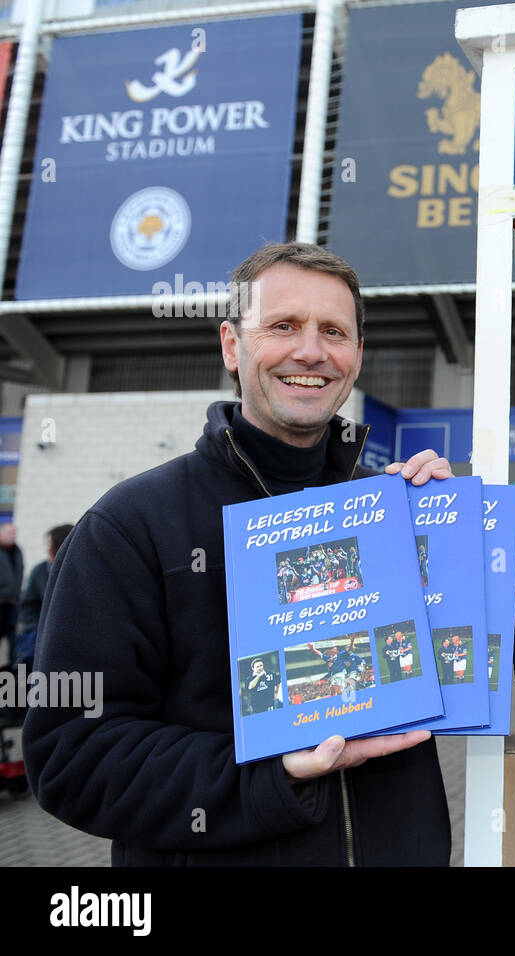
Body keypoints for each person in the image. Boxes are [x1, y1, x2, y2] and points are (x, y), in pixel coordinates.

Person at [23, 241, 456, 866]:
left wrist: (452, 544)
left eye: (333, 331)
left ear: (356, 356)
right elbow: (72, 759)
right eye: (283, 326)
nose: (311, 351)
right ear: (232, 346)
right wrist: (271, 776)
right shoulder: (130, 526)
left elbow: (460, 675)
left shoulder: (397, 513)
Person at [14, 524, 74, 669]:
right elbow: (28, 605)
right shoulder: (40, 571)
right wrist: (36, 630)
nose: (47, 550)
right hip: (41, 638)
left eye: (49, 545)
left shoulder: (81, 572)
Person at [0, 523, 23, 662]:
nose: (12, 536)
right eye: (9, 533)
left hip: (13, 602)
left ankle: (12, 668)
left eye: (14, 534)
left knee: (13, 638)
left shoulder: (17, 551)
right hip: (0, 602)